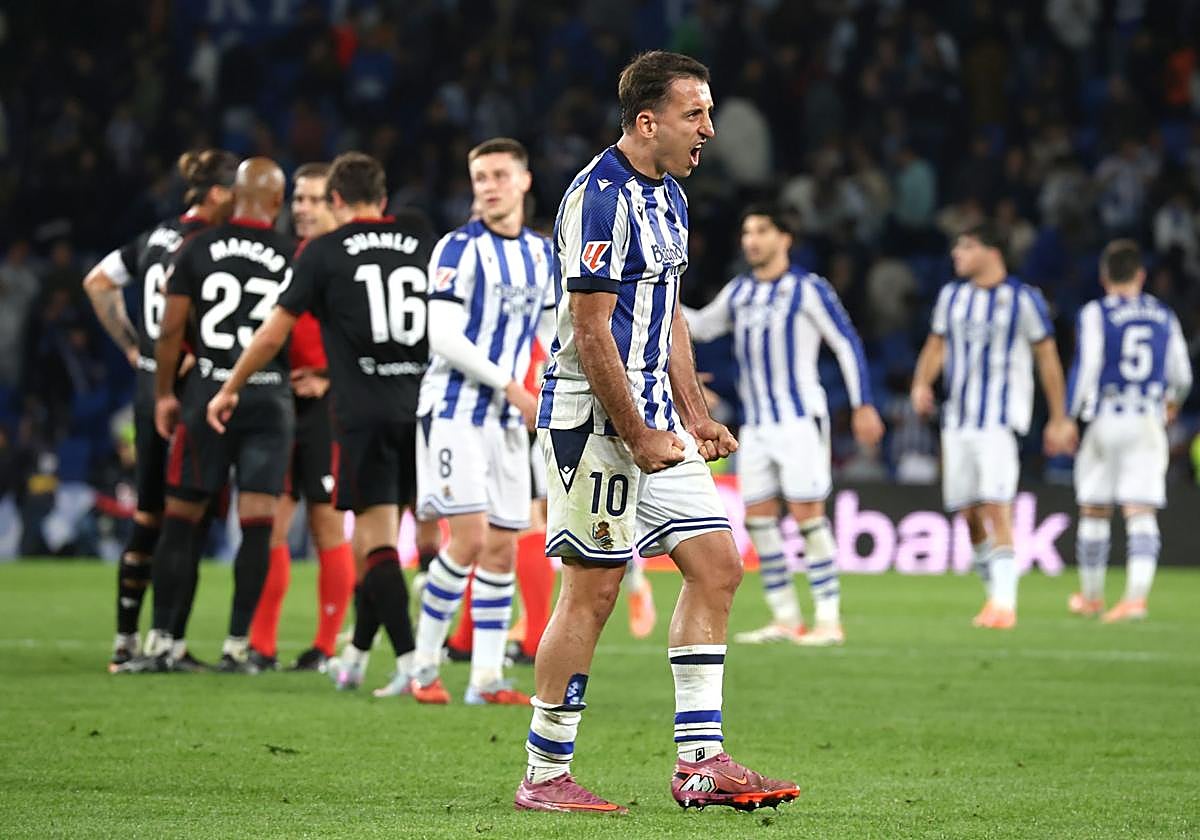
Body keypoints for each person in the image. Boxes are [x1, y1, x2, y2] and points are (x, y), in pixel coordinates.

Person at [516, 51, 799, 815]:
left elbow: (668, 311)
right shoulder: (598, 198)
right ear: (648, 122)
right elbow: (591, 325)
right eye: (694, 114)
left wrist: (695, 412)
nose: (709, 129)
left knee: (717, 567)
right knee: (594, 592)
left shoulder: (669, 196)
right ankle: (544, 776)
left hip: (657, 424)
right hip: (597, 424)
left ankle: (700, 762)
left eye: (707, 114)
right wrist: (637, 430)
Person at [207, 151, 437, 693]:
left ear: (335, 199)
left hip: (361, 414)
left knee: (375, 543)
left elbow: (271, 334)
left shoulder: (324, 253)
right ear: (382, 199)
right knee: (390, 543)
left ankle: (411, 663)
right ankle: (356, 654)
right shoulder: (424, 247)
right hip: (422, 411)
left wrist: (230, 386)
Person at [685, 205, 885, 646]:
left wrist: (863, 404)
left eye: (761, 230)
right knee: (758, 520)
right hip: (755, 426)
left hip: (799, 420)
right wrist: (655, 294)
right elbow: (700, 326)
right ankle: (785, 618)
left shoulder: (808, 289)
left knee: (807, 516)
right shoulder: (739, 292)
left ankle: (829, 620)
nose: (750, 240)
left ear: (785, 238)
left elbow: (846, 343)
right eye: (746, 231)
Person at [407, 137, 556, 706]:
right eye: (480, 177)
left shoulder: (542, 256)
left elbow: (548, 330)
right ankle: (424, 667)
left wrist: (544, 383)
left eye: (498, 175)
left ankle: (487, 679)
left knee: (501, 549)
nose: (488, 186)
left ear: (523, 181)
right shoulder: (456, 249)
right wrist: (513, 386)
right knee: (467, 540)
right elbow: (440, 335)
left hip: (507, 419)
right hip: (453, 412)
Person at [85, 148, 237, 671]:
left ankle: (125, 640)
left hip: (149, 384)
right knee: (186, 517)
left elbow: (97, 283)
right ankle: (167, 641)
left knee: (148, 516)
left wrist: (134, 347)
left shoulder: (154, 237)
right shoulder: (209, 245)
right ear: (217, 193)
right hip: (186, 388)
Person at [142, 157, 296, 673]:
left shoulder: (198, 247)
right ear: (277, 202)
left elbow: (169, 330)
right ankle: (236, 646)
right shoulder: (293, 254)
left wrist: (165, 392)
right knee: (256, 524)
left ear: (232, 195)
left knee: (182, 518)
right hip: (269, 397)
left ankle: (162, 640)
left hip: (206, 392)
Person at [911, 222, 1078, 629]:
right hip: (958, 420)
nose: (956, 255)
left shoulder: (1023, 299)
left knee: (996, 507)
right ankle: (993, 595)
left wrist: (1059, 416)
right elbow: (937, 344)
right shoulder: (953, 296)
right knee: (967, 513)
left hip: (1000, 421)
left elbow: (1047, 358)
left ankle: (1005, 604)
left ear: (992, 252)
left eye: (965, 247)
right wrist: (921, 383)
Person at [246, 162, 355, 673]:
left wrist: (329, 376)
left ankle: (325, 646)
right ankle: (261, 645)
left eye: (314, 199)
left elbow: (376, 337)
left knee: (325, 527)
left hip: (330, 410)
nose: (303, 209)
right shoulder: (283, 256)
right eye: (298, 199)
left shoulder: (352, 260)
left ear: (335, 202)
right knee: (271, 524)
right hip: (280, 404)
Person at [1067, 240, 1191, 622]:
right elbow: (1182, 375)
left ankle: (1091, 597)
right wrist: (1173, 402)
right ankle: (1135, 598)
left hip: (1105, 415)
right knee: (1140, 511)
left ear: (1104, 276)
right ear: (1141, 275)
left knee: (1094, 508)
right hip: (1146, 419)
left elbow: (1087, 366)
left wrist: (1068, 417)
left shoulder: (1096, 312)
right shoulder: (1163, 314)